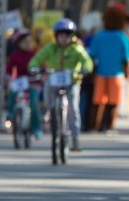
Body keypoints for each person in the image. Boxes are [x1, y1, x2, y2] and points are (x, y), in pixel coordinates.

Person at [29, 18, 93, 163]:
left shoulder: (77, 49)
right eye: (61, 35)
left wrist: (84, 70)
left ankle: (75, 138)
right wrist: (35, 67)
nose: (64, 38)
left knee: (74, 109)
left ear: (72, 36)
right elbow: (36, 59)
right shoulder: (50, 48)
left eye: (67, 35)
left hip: (72, 82)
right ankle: (48, 109)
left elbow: (87, 61)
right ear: (56, 36)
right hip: (54, 81)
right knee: (47, 87)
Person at [87, 5, 129, 134]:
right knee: (113, 102)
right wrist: (127, 74)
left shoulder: (98, 36)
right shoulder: (122, 37)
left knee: (97, 101)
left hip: (100, 73)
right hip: (117, 74)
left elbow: (92, 55)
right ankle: (109, 126)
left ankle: (95, 126)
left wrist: (91, 73)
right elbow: (126, 58)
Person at [6, 29, 42, 139]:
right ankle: (11, 113)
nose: (28, 44)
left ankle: (36, 128)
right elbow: (9, 69)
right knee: (12, 93)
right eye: (25, 42)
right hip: (20, 82)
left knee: (33, 103)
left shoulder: (34, 54)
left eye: (29, 41)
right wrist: (9, 78)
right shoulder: (14, 55)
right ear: (18, 44)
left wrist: (39, 73)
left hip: (32, 81)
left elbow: (40, 66)